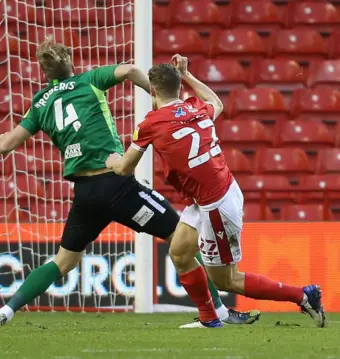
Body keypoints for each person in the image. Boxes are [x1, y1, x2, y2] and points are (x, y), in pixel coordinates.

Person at [0, 38, 257, 327]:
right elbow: (128, 70)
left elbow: (8, 143)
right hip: (117, 185)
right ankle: (219, 312)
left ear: (43, 72)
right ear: (70, 61)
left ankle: (5, 311)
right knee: (180, 240)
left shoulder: (40, 103)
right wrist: (156, 94)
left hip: (85, 194)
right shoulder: (89, 80)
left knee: (63, 262)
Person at [105, 54, 327, 328]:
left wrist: (110, 160)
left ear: (152, 92)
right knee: (180, 252)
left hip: (216, 205)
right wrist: (188, 75)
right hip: (213, 194)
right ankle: (210, 318)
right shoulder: (196, 108)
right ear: (179, 87)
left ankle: (304, 296)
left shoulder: (151, 123)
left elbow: (125, 168)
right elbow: (217, 103)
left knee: (227, 280)